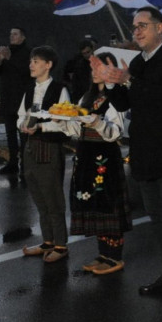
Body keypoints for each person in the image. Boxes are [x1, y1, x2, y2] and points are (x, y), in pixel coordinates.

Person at [91, 7, 162, 309]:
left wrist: (127, 81)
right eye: (134, 26)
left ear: (160, 28)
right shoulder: (139, 62)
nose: (136, 31)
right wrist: (111, 81)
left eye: (142, 26)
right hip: (146, 152)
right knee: (158, 218)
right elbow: (127, 102)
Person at [62, 51, 132, 274]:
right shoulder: (86, 97)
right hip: (85, 156)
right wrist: (62, 122)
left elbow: (115, 133)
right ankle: (103, 253)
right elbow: (77, 128)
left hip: (105, 157)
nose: (94, 73)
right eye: (93, 68)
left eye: (99, 68)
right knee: (92, 201)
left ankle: (115, 257)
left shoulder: (116, 99)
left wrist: (98, 123)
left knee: (107, 200)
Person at [19, 46, 72, 263]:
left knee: (53, 198)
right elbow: (20, 116)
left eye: (36, 61)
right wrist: (23, 125)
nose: (31, 64)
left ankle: (61, 244)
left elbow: (66, 122)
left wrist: (41, 127)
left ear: (48, 65)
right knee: (39, 198)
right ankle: (47, 241)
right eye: (31, 61)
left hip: (50, 148)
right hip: (30, 147)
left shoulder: (60, 90)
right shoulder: (29, 90)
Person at [0, 27, 31, 176]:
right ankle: (12, 163)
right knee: (10, 134)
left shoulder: (28, 52)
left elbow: (26, 72)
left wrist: (10, 60)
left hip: (22, 101)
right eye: (10, 34)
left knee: (23, 135)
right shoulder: (7, 51)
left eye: (15, 34)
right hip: (7, 100)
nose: (11, 36)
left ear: (22, 37)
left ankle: (25, 166)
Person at [63, 38, 96, 105]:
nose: (87, 55)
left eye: (88, 52)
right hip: (82, 97)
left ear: (93, 49)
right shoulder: (79, 66)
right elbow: (76, 86)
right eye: (84, 53)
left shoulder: (99, 61)